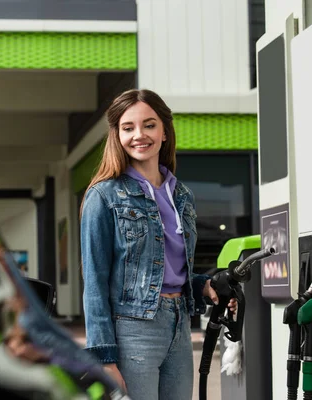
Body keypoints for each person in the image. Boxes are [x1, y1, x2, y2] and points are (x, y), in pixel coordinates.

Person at [80, 89, 237, 399]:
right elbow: (95, 282)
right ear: (117, 135)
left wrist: (203, 286)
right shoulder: (104, 196)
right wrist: (105, 358)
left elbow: (165, 270)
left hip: (179, 325)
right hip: (132, 330)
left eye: (149, 125)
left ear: (165, 131)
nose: (139, 135)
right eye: (128, 128)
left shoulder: (182, 196)